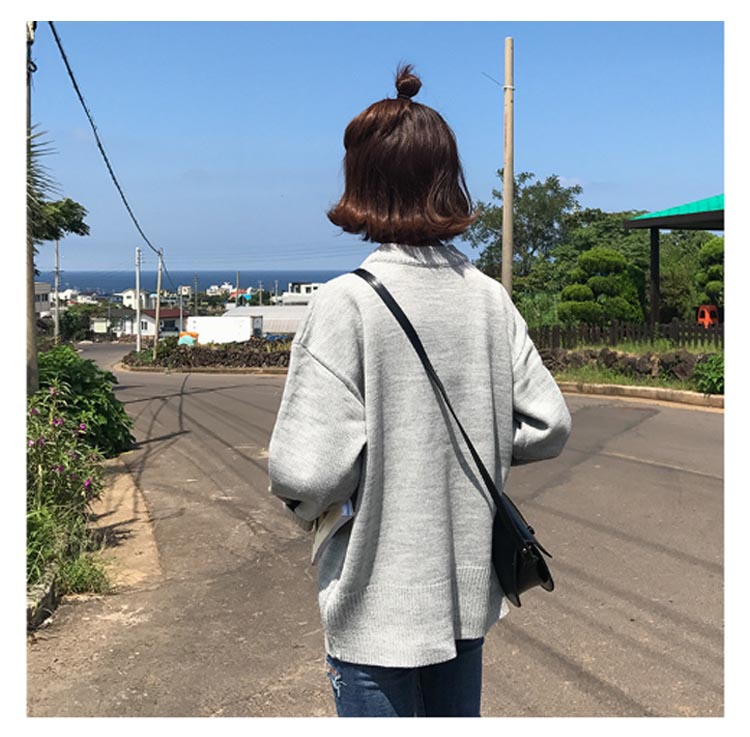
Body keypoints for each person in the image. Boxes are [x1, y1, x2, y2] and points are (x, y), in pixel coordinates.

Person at [268, 64, 572, 718]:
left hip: (376, 605)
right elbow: (549, 423)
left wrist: (328, 501)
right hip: (466, 597)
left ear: (362, 181)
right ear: (446, 178)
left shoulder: (345, 304)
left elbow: (306, 472)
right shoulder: (488, 298)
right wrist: (478, 440)